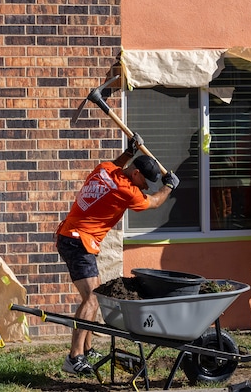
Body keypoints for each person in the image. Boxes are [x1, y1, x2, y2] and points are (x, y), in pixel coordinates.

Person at [55, 137, 180, 375]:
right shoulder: (126, 191)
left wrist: (128, 151)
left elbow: (116, 163)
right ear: (135, 174)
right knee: (92, 299)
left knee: (92, 296)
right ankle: (74, 358)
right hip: (78, 241)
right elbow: (154, 202)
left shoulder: (104, 169)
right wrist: (169, 186)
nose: (145, 187)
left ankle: (87, 349)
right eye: (145, 181)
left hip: (71, 236)